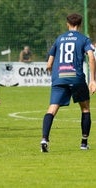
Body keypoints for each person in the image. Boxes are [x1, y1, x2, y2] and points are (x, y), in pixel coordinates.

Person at [40, 13, 96, 152]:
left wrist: (51, 69)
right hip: (76, 78)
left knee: (52, 109)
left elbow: (49, 64)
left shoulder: (59, 39)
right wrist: (93, 80)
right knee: (85, 109)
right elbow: (91, 57)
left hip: (60, 77)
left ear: (67, 24)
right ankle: (84, 143)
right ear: (80, 24)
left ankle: (44, 139)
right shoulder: (84, 39)